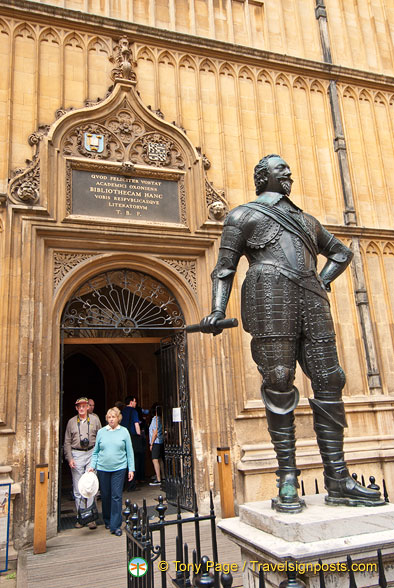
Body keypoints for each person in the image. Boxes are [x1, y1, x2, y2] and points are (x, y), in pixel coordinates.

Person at [201, 154, 383, 512]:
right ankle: (287, 477)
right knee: (279, 378)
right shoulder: (242, 216)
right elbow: (224, 269)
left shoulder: (306, 221)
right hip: (269, 295)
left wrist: (322, 281)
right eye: (279, 169)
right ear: (261, 176)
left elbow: (341, 253)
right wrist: (217, 310)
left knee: (330, 379)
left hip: (312, 300)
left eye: (288, 169)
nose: (288, 174)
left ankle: (338, 478)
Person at [90, 407, 134, 536]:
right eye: (109, 417)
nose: (111, 419)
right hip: (103, 468)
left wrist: (131, 469)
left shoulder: (124, 432)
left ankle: (116, 525)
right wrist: (93, 466)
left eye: (113, 417)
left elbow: (129, 452)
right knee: (105, 495)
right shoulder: (101, 432)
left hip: (119, 468)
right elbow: (96, 451)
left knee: (116, 496)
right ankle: (108, 520)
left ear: (118, 418)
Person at [64, 397, 101, 528]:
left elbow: (100, 438)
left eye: (84, 406)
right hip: (77, 454)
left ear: (87, 407)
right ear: (76, 408)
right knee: (78, 487)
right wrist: (70, 458)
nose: (81, 408)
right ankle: (80, 517)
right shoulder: (71, 422)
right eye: (79, 406)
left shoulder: (95, 420)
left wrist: (98, 457)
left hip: (91, 453)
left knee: (91, 485)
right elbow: (67, 441)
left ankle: (91, 517)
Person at [121, 396, 143, 488]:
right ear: (131, 402)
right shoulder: (133, 411)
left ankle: (125, 483)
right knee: (135, 459)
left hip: (123, 437)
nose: (136, 403)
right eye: (135, 401)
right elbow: (136, 424)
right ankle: (132, 483)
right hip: (133, 438)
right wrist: (139, 435)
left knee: (125, 459)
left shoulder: (122, 411)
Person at [149, 404, 165, 486]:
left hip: (156, 442)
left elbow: (154, 432)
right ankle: (163, 476)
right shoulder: (161, 419)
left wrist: (151, 443)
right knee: (160, 459)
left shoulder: (155, 419)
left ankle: (158, 479)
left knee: (155, 460)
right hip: (161, 441)